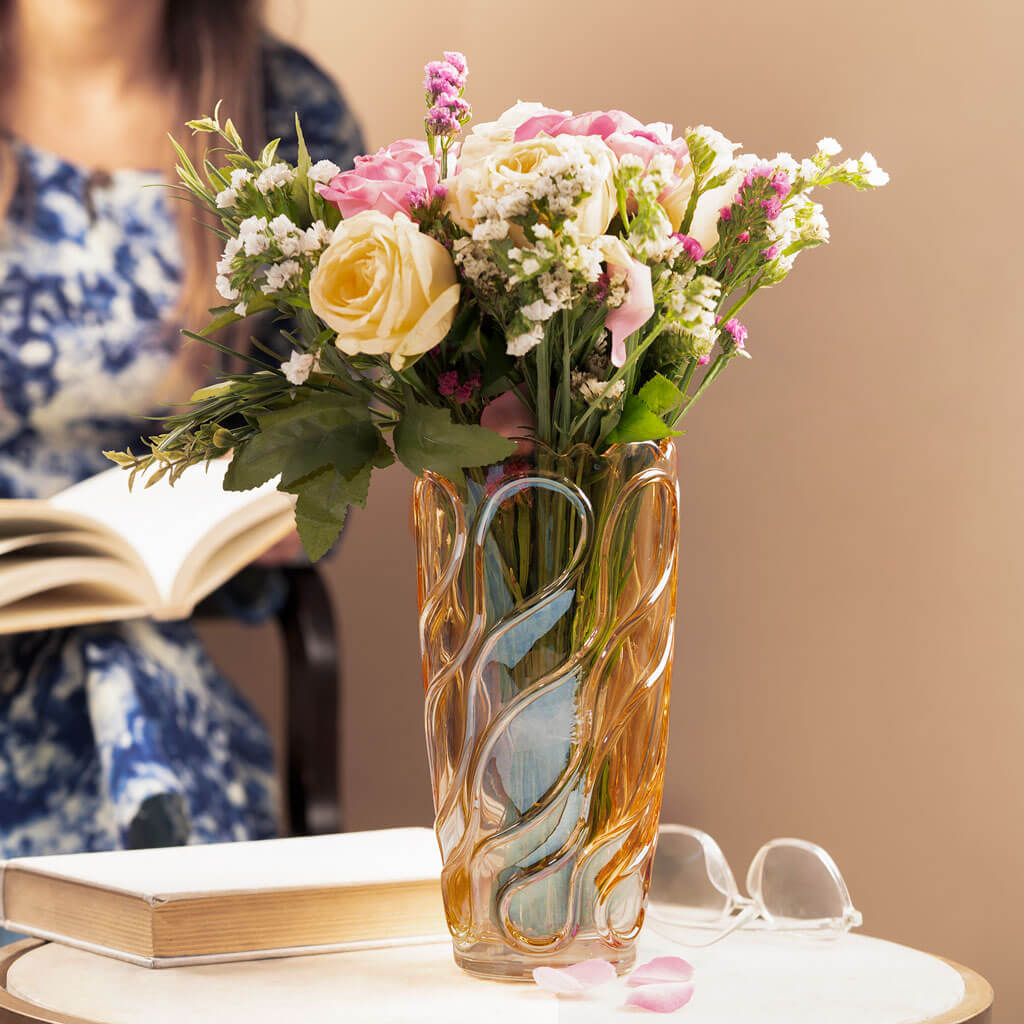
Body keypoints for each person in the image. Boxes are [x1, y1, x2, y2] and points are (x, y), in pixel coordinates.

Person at [0, 0, 364, 862]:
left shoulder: (284, 114)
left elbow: (340, 416)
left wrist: (286, 505)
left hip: (152, 619)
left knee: (122, 661)